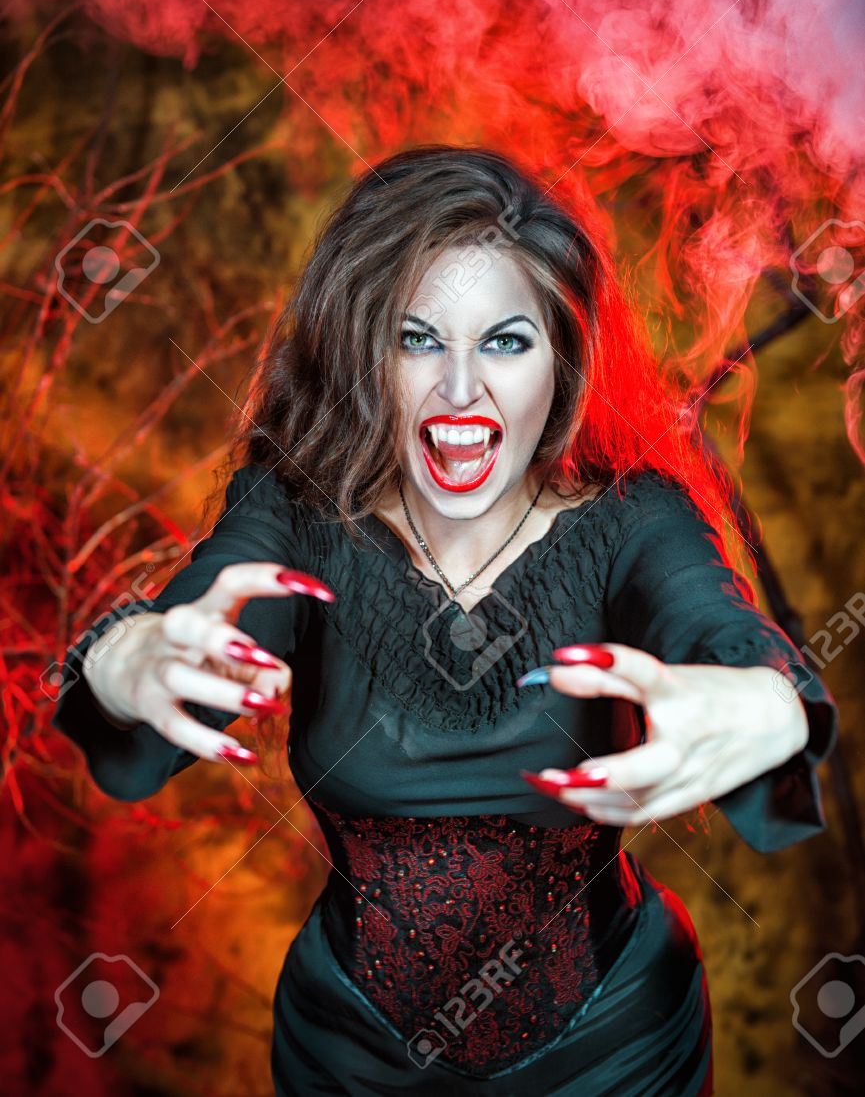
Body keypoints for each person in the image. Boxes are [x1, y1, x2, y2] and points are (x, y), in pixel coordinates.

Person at [52, 146, 839, 1096]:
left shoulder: (636, 519)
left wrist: (768, 703)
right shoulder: (295, 516)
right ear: (362, 352)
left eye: (505, 343)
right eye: (416, 339)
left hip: (618, 1052)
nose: (460, 390)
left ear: (565, 360)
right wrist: (124, 659)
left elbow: (719, 629)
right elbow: (193, 620)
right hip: (348, 1056)